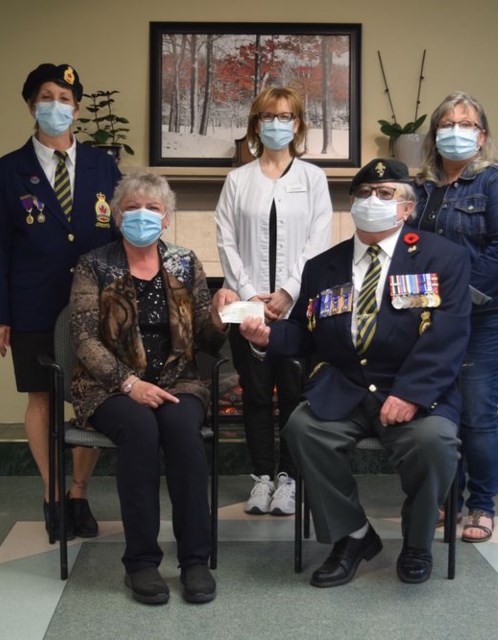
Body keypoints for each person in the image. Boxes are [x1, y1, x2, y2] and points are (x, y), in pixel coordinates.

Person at [240, 158, 471, 588]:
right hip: (343, 388)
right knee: (302, 429)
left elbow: (449, 335)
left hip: (414, 391)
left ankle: (417, 542)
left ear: (406, 208)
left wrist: (412, 394)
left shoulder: (443, 258)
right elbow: (304, 337)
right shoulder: (322, 265)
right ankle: (353, 535)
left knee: (434, 442)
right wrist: (265, 337)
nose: (373, 201)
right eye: (364, 193)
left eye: (386, 195)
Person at [70, 171, 237, 605]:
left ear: (166, 219)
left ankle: (195, 560)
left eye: (153, 208)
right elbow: (84, 339)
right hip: (108, 384)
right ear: (116, 215)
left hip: (178, 379)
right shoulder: (94, 264)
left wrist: (221, 315)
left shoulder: (185, 261)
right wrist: (128, 384)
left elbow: (206, 337)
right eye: (132, 207)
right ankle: (141, 563)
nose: (142, 215)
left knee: (183, 433)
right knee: (140, 431)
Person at [0, 63, 121, 542]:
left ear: (77, 108)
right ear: (31, 105)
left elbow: (124, 235)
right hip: (33, 303)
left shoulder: (105, 165)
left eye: (65, 97)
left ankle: (79, 492)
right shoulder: (7, 170)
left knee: (91, 400)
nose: (56, 105)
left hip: (96, 307)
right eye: (47, 96)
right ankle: (52, 493)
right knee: (41, 396)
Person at [215, 86, 333, 516]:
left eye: (286, 116)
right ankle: (262, 477)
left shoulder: (313, 178)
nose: (277, 124)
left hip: (296, 306)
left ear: (298, 124)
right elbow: (225, 240)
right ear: (255, 123)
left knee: (296, 392)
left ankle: (290, 478)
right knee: (257, 393)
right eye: (268, 116)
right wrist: (250, 295)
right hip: (246, 306)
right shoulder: (237, 180)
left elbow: (319, 241)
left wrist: (287, 292)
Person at [413, 92, 498, 544]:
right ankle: (448, 498)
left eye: (467, 124)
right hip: (429, 317)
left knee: (478, 412)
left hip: (486, 316)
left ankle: (481, 504)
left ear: (481, 136)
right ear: (434, 133)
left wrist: (459, 297)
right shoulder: (420, 187)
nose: (456, 131)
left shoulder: (495, 183)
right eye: (447, 123)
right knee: (444, 411)